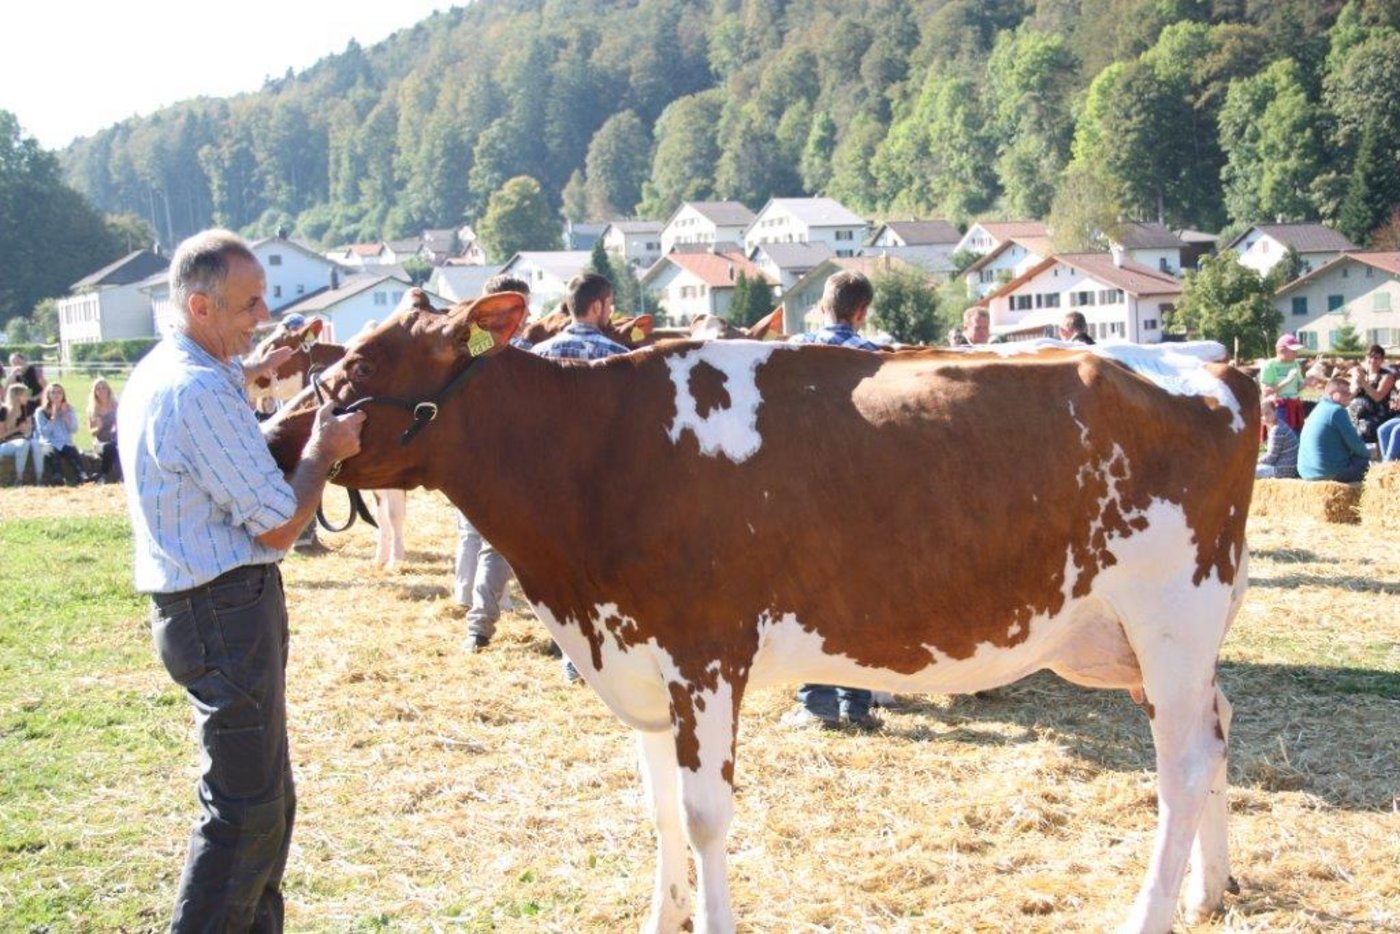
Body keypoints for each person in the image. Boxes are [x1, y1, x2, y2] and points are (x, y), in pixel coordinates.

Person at [118, 229, 364, 932]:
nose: (262, 316)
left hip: (208, 608)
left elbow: (224, 406)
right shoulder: (195, 391)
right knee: (245, 811)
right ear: (201, 306)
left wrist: (257, 368)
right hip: (222, 611)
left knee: (266, 802)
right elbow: (281, 526)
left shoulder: (173, 368)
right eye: (248, 304)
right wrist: (322, 449)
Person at [783, 271, 881, 731]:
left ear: (824, 304)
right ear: (861, 312)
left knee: (809, 597)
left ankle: (816, 703)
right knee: (859, 595)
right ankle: (857, 705)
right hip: (860, 488)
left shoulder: (792, 350)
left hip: (803, 488)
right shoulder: (876, 357)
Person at [532, 273, 629, 681]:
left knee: (562, 568)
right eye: (609, 304)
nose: (610, 312)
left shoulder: (536, 354)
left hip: (550, 477)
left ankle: (571, 655)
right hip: (603, 475)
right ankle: (602, 655)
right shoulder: (618, 357)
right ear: (597, 306)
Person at [456, 274, 531, 652]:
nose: (526, 315)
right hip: (517, 463)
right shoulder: (506, 349)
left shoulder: (468, 349)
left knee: (490, 545)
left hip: (483, 464)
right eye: (521, 308)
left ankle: (478, 627)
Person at [1298, 377, 1370, 483]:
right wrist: (1369, 454)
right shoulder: (1337, 411)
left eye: (1350, 392)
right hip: (1328, 473)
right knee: (1363, 461)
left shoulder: (1318, 408)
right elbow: (1355, 444)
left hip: (1306, 472)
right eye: (1345, 393)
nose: (1350, 396)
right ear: (1334, 394)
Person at [34, 383, 92, 484]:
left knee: (72, 451)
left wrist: (65, 417)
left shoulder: (69, 409)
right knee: (52, 452)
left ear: (63, 395)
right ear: (48, 395)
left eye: (59, 392)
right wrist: (53, 417)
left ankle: (82, 474)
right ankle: (58, 475)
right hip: (49, 442)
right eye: (53, 392)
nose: (56, 395)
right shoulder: (40, 411)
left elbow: (74, 430)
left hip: (65, 442)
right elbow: (43, 433)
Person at [1347, 344, 1397, 445]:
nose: (1373, 360)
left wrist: (1363, 382)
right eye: (1370, 357)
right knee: (1342, 423)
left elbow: (1378, 397)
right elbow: (1350, 397)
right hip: (1356, 414)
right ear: (1365, 358)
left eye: (1376, 358)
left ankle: (1365, 453)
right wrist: (1356, 383)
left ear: (1382, 360)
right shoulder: (1360, 373)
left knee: (1366, 427)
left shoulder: (1387, 376)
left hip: (1377, 414)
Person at [1260, 334, 1307, 432]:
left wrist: (1309, 381)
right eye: (1293, 351)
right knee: (1281, 437)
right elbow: (1266, 392)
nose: (1296, 354)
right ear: (1281, 350)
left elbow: (1298, 387)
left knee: (1296, 437)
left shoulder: (1295, 364)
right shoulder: (1270, 365)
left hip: (1295, 406)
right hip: (1278, 408)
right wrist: (1287, 380)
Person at [1, 383, 42, 484]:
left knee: (36, 444)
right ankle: (19, 479)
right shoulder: (3, 411)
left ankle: (40, 479)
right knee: (23, 443)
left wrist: (27, 429)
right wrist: (17, 429)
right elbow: (1, 436)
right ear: (17, 396)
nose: (28, 397)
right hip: (5, 444)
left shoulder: (24, 409)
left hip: (23, 440)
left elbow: (26, 431)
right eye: (25, 394)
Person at [1255, 392, 1299, 479]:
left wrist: (1254, 462)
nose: (1264, 417)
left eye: (1267, 413)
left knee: (1247, 472)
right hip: (1286, 466)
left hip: (1283, 470)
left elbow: (1271, 458)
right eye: (1261, 415)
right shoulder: (1277, 424)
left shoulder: (1277, 430)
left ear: (1276, 411)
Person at [87, 377, 120, 482]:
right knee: (109, 448)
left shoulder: (116, 406)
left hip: (115, 439)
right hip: (101, 441)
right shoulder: (92, 409)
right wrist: (98, 428)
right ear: (95, 392)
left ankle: (105, 475)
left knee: (117, 447)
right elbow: (92, 432)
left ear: (108, 390)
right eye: (98, 389)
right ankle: (104, 475)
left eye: (104, 388)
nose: (101, 391)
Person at [8, 352, 46, 416]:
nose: (16, 364)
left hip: (39, 404)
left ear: (24, 360)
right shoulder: (16, 375)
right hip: (25, 406)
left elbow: (47, 389)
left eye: (18, 361)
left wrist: (35, 398)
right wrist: (12, 375)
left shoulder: (35, 371)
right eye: (13, 362)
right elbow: (9, 390)